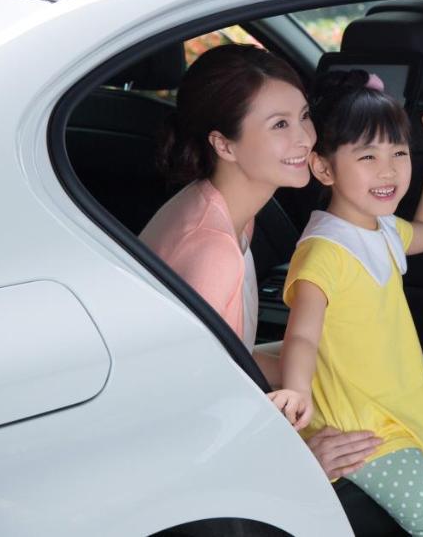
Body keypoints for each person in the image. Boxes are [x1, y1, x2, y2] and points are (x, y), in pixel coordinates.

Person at [140, 43, 383, 480]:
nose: (305, 139)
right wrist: (302, 461)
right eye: (279, 125)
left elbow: (225, 360)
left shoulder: (220, 207)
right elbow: (194, 409)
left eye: (304, 116)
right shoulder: (211, 251)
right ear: (224, 144)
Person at [269, 69, 423, 536]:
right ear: (324, 168)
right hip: (364, 431)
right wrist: (296, 393)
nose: (388, 170)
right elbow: (302, 335)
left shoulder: (382, 227)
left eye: (399, 153)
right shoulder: (323, 252)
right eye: (367, 156)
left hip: (405, 407)